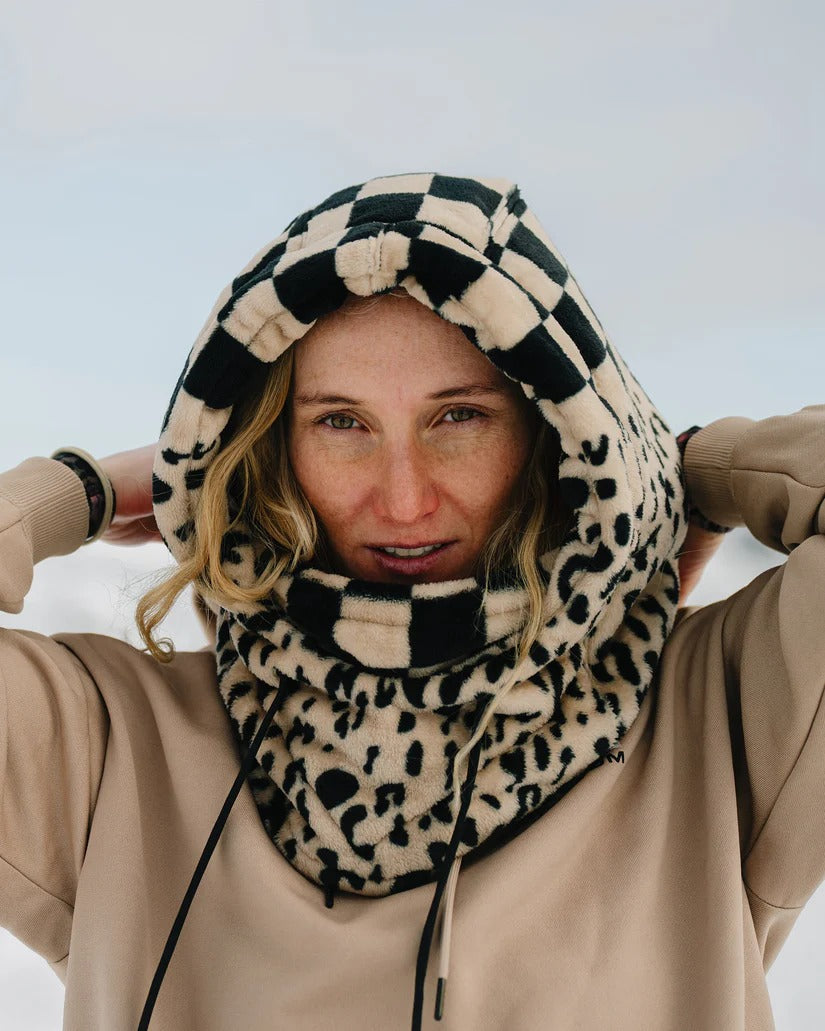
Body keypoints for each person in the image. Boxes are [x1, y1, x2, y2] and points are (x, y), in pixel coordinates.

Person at [0, 172, 822, 1031]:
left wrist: (692, 469)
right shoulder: (109, 751)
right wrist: (77, 491)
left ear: (554, 434)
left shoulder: (719, 712)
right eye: (340, 422)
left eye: (458, 416)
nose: (402, 500)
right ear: (269, 444)